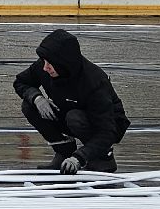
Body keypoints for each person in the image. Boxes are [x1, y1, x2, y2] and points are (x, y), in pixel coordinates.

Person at [13, 28, 129, 174]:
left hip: (106, 125)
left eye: (50, 63)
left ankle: (103, 156)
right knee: (29, 106)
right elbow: (21, 82)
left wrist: (79, 158)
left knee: (75, 118)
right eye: (44, 61)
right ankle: (64, 151)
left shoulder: (94, 81)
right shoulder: (45, 65)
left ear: (63, 63)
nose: (45, 67)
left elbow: (107, 131)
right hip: (67, 111)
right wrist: (37, 98)